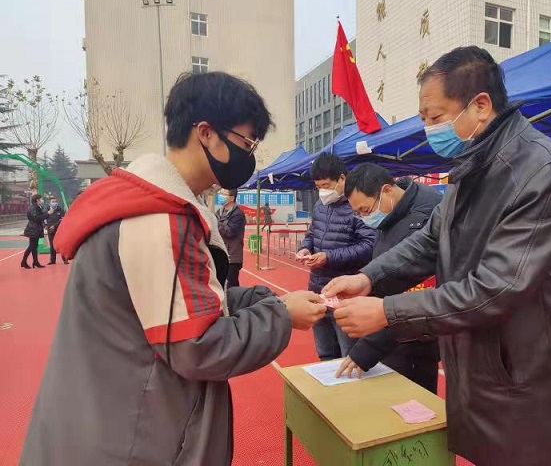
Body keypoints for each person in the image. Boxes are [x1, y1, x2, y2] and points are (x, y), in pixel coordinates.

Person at [20, 71, 327, 466]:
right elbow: (199, 347)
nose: (250, 154)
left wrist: (262, 299)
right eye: (247, 142)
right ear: (207, 134)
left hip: (101, 422)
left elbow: (177, 303)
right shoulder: (159, 219)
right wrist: (281, 316)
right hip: (133, 442)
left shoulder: (137, 203)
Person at [323, 46, 551, 466]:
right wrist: (369, 278)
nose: (429, 129)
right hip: (487, 370)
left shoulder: (544, 172)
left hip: (530, 382)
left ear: (480, 105)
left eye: (435, 117)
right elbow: (432, 239)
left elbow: (496, 289)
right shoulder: (472, 170)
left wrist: (388, 312)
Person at [336, 165, 442, 394]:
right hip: (386, 324)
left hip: (412, 337)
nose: (364, 218)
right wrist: (366, 279)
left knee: (410, 403)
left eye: (365, 210)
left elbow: (414, 294)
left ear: (386, 191)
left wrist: (366, 349)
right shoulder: (391, 212)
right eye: (358, 213)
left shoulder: (425, 217)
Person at [296, 152, 377, 361]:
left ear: (342, 179)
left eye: (326, 185)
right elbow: (312, 233)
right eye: (318, 187)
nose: (323, 191)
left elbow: (369, 245)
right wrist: (305, 248)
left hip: (345, 293)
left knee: (349, 355)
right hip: (317, 291)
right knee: (325, 353)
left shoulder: (357, 206)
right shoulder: (319, 205)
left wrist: (329, 257)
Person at [216, 188, 245, 288]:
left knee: (231, 286)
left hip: (232, 257)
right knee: (221, 285)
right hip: (221, 253)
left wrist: (215, 223)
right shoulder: (219, 212)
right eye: (220, 193)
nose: (220, 196)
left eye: (223, 194)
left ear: (231, 198)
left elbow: (229, 232)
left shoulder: (238, 214)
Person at [21, 194, 52, 269]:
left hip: (36, 228)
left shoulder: (37, 207)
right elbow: (37, 218)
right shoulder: (34, 207)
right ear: (37, 200)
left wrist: (44, 225)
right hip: (33, 229)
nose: (42, 200)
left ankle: (35, 262)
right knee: (32, 246)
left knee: (34, 246)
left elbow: (40, 218)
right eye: (41, 199)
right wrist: (48, 214)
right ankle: (24, 262)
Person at [45, 196, 69, 265]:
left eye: (55, 201)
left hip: (59, 230)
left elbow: (62, 219)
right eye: (53, 202)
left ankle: (65, 259)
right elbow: (43, 219)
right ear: (49, 203)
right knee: (52, 245)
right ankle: (52, 261)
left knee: (61, 245)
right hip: (50, 230)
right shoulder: (46, 210)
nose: (54, 203)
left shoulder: (60, 210)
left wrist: (54, 226)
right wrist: (45, 226)